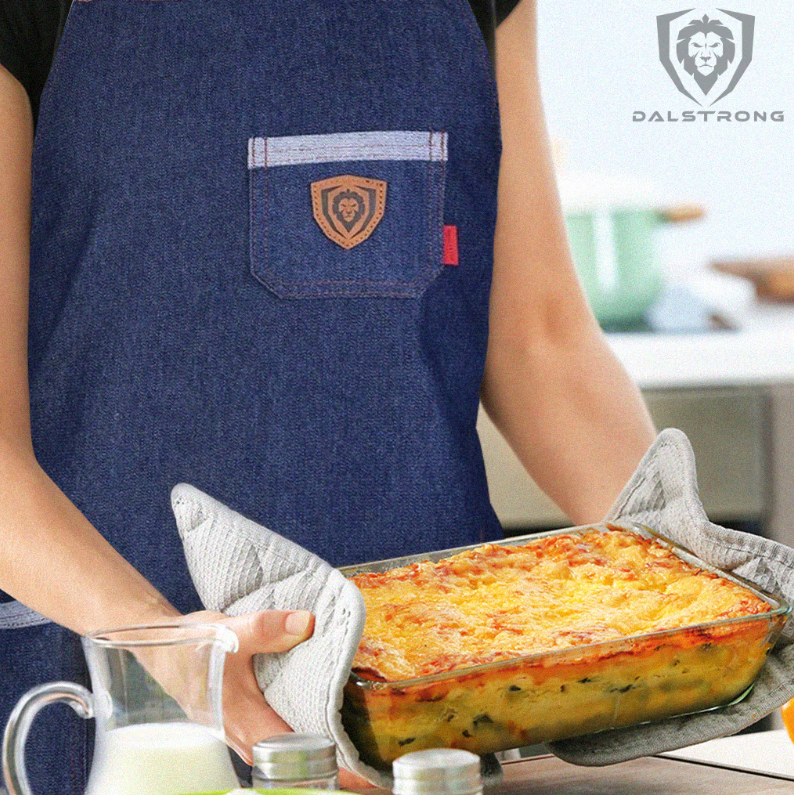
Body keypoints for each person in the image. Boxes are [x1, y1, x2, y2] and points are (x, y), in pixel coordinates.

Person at [0, 1, 656, 792]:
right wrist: (168, 648)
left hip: (432, 711)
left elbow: (539, 341)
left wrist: (687, 571)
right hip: (133, 717)